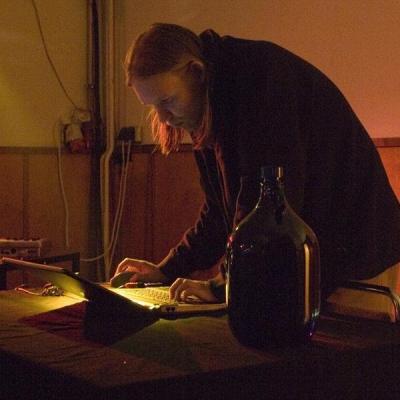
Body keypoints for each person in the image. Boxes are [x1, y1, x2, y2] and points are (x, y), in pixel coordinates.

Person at [113, 23, 400, 304]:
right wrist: (166, 270)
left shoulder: (260, 81)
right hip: (315, 261)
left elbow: (270, 206)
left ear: (197, 72)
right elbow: (219, 213)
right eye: (154, 107)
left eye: (167, 101)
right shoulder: (211, 99)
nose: (163, 118)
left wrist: (223, 285)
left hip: (355, 258)